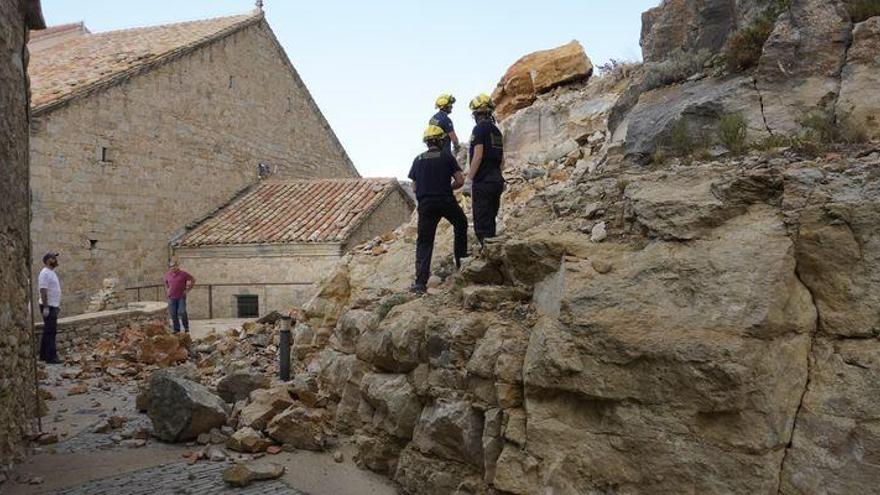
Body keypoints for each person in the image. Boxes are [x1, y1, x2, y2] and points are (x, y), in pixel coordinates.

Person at [407, 125, 469, 294]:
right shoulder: (446, 157)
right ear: (442, 140)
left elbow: (414, 187)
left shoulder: (418, 159)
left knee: (424, 242)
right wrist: (447, 187)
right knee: (461, 223)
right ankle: (462, 264)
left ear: (426, 142)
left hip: (426, 204)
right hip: (445, 200)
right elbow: (460, 180)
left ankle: (420, 283)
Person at [465, 93, 505, 246]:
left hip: (483, 182)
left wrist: (469, 179)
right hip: (496, 181)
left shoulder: (479, 129)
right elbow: (502, 159)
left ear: (477, 114)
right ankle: (493, 253)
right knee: (491, 220)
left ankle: (488, 256)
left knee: (482, 223)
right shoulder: (496, 131)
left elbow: (478, 155)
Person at [38, 252, 62, 364]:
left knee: (48, 330)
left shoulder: (51, 272)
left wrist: (57, 305)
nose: (56, 260)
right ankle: (51, 357)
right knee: (51, 331)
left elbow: (54, 290)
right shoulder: (45, 273)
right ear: (48, 260)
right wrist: (46, 307)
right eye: (54, 258)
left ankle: (43, 355)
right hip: (48, 306)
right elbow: (43, 290)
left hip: (53, 305)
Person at [164, 260, 195, 333]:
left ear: (177, 266)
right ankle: (176, 330)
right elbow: (166, 283)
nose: (173, 268)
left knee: (182, 312)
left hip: (181, 296)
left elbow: (193, 279)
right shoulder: (167, 274)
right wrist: (167, 290)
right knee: (173, 313)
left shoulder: (183, 274)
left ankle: (186, 328)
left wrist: (187, 290)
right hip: (172, 297)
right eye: (171, 266)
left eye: (174, 266)